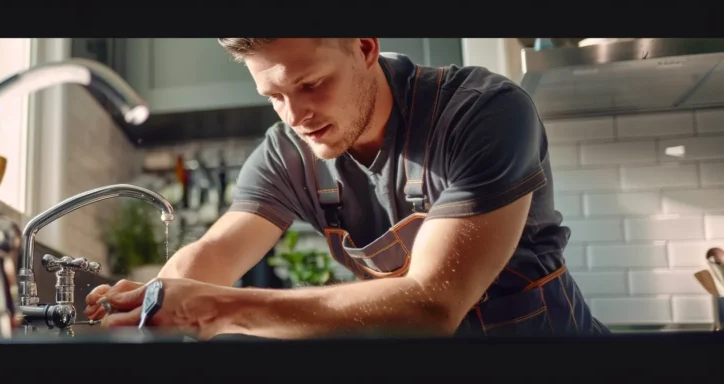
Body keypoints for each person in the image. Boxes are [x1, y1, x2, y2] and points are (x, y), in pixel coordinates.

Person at [84, 38, 609, 339]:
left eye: (310, 84)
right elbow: (214, 253)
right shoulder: (286, 151)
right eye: (274, 97)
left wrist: (222, 308)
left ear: (363, 46)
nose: (297, 116)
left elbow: (433, 304)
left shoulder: (483, 114)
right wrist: (150, 300)